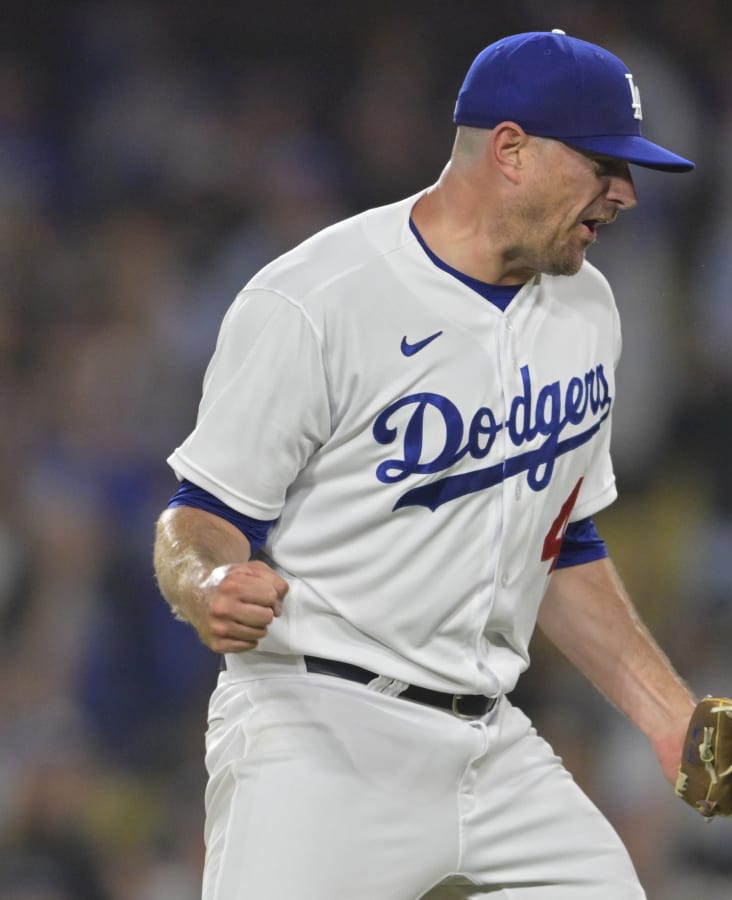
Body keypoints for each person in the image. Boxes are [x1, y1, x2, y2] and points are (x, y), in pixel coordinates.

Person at [153, 29, 697, 899]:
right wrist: (208, 581)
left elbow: (558, 545)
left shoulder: (590, 308)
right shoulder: (319, 298)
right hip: (318, 730)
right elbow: (199, 514)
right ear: (512, 150)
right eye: (604, 164)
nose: (624, 194)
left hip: (493, 743)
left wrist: (672, 718)